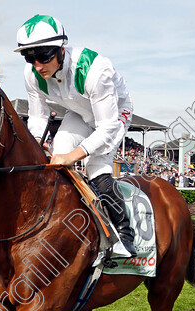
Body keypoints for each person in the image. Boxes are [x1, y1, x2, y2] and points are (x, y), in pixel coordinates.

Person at [15, 14, 136, 257]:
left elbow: (106, 127)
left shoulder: (95, 70)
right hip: (80, 111)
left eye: (43, 55)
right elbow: (38, 119)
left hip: (114, 116)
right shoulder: (32, 75)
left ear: (61, 48)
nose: (37, 65)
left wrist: (74, 155)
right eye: (29, 57)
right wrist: (30, 151)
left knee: (96, 164)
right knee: (58, 149)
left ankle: (124, 234)